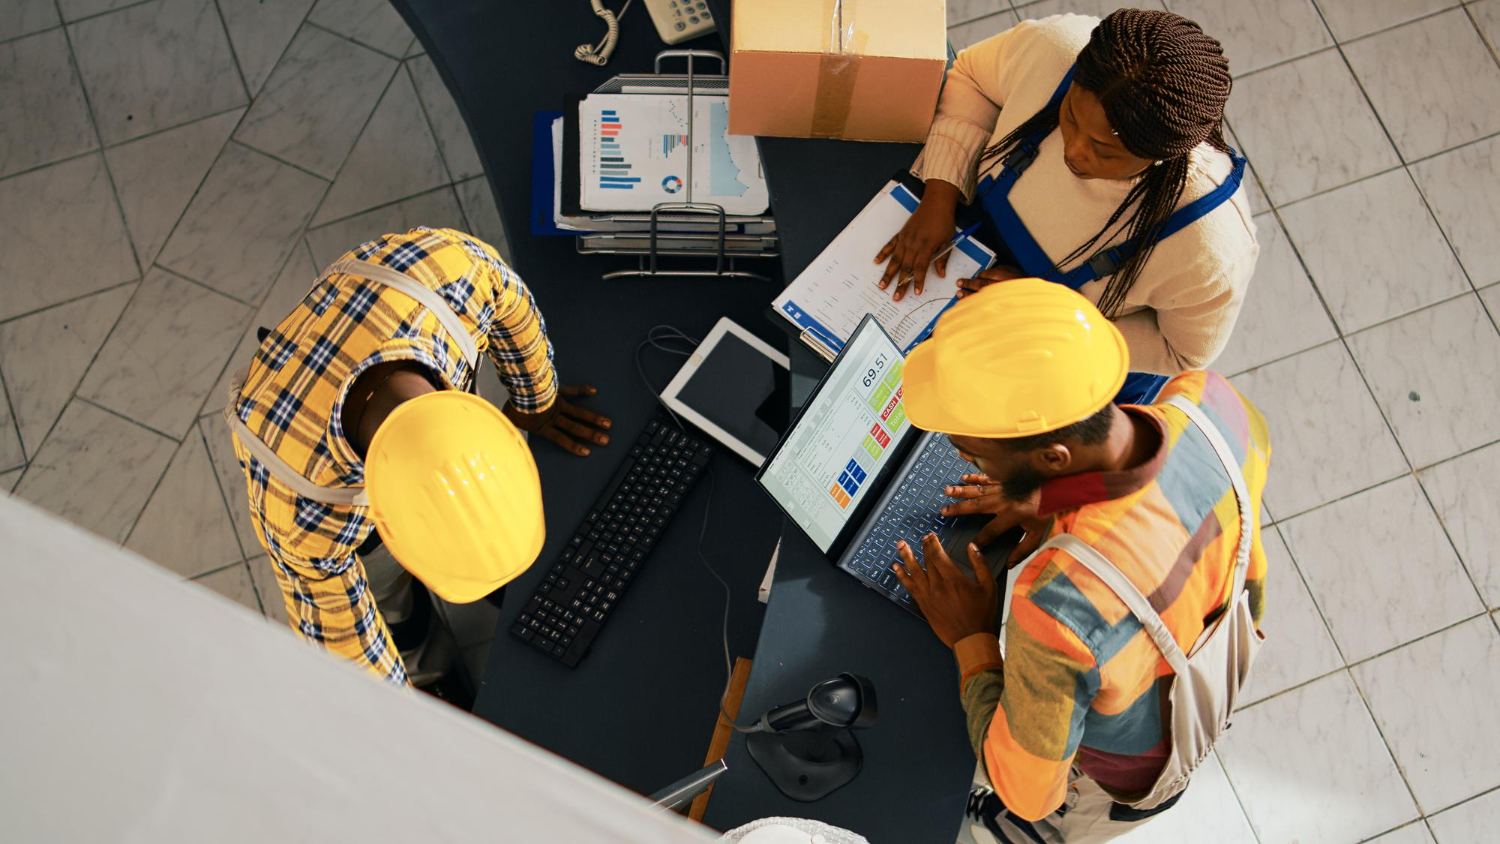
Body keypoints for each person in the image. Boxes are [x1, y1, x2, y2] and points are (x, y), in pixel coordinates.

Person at [891, 281, 1270, 842]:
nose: (970, 462)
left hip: (1127, 768)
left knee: (1040, 818)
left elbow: (1028, 794)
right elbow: (1170, 508)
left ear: (1052, 457)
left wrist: (971, 637)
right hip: (1210, 648)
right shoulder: (1214, 403)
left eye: (974, 454)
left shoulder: (1058, 606)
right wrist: (1050, 501)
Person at [223, 227, 610, 693]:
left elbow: (509, 301)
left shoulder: (447, 274)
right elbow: (348, 649)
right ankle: (432, 669)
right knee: (392, 603)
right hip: (301, 439)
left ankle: (495, 586)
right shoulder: (298, 508)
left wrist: (537, 401)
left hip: (372, 325)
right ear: (391, 522)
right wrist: (406, 714)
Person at [877, 9, 1259, 405]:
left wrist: (1051, 316)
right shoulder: (1056, 50)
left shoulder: (1209, 247)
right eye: (1071, 117)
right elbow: (974, 79)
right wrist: (941, 193)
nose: (1073, 151)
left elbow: (1181, 351)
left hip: (1064, 347)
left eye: (1104, 151)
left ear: (1158, 157)